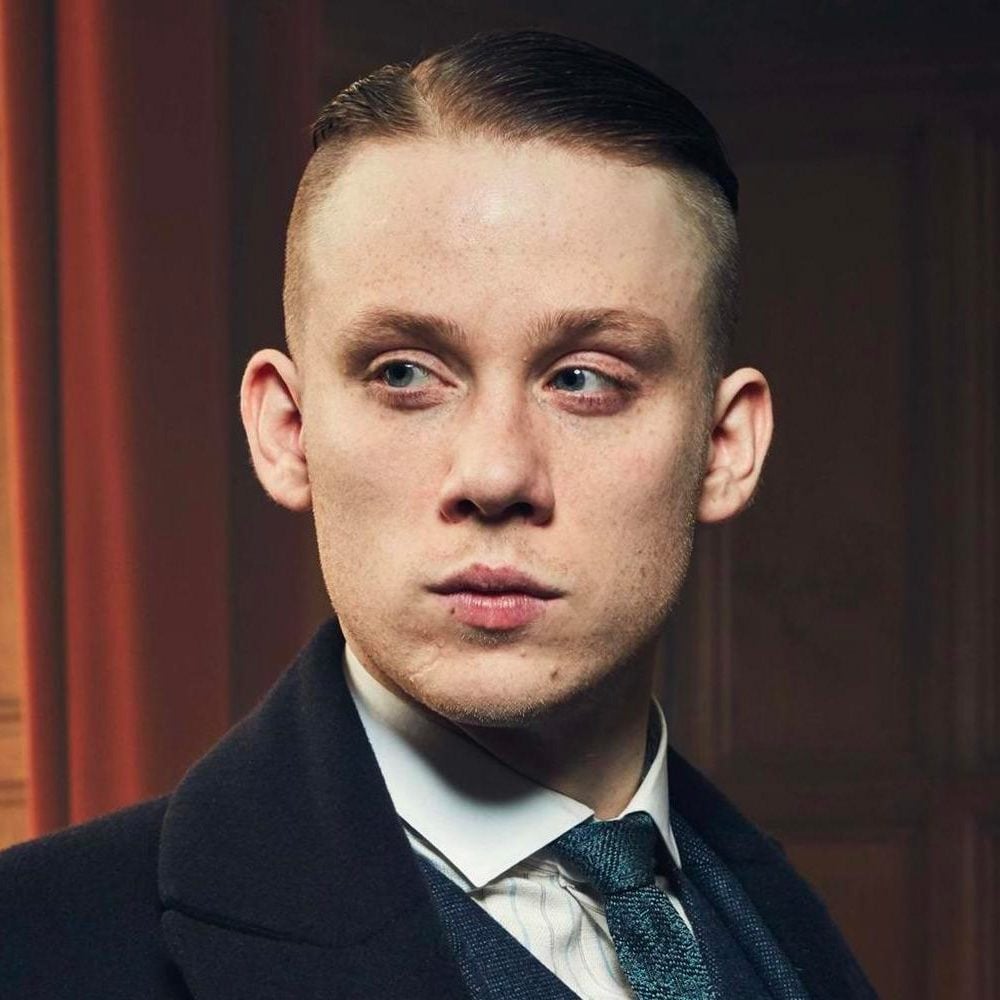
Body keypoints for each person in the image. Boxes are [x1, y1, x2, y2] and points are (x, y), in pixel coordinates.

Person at [0, 29, 876, 1000]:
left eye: (584, 379)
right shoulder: (32, 949)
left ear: (725, 446)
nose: (495, 473)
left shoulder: (786, 936)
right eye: (405, 374)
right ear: (286, 430)